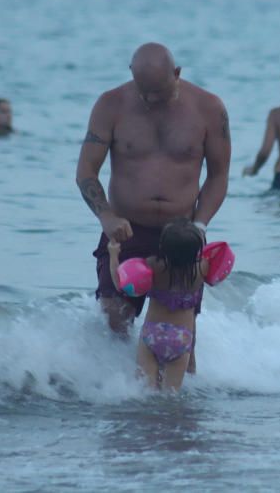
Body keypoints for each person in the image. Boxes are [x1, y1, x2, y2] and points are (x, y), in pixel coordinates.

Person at [76, 42, 231, 372]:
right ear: (131, 74)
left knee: (182, 328)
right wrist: (105, 215)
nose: (150, 102)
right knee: (114, 317)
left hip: (182, 236)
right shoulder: (110, 105)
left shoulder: (209, 108)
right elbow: (86, 171)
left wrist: (200, 226)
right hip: (127, 230)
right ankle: (119, 397)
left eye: (159, 94)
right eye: (144, 93)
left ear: (177, 73)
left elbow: (219, 176)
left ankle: (182, 404)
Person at [108, 219, 209, 391]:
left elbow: (120, 283)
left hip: (152, 335)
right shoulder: (202, 268)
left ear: (162, 246)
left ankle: (147, 416)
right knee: (171, 395)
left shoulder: (153, 265)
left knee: (145, 391)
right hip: (181, 339)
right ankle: (171, 416)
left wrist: (113, 255)